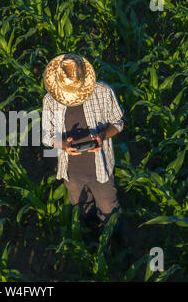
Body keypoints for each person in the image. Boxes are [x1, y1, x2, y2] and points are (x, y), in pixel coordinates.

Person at [41, 53, 127, 247]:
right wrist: (64, 145)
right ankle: (90, 243)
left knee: (108, 209)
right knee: (82, 208)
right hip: (71, 172)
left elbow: (118, 123)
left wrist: (102, 136)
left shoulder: (104, 92)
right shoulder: (50, 100)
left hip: (100, 168)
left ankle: (117, 249)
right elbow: (47, 136)